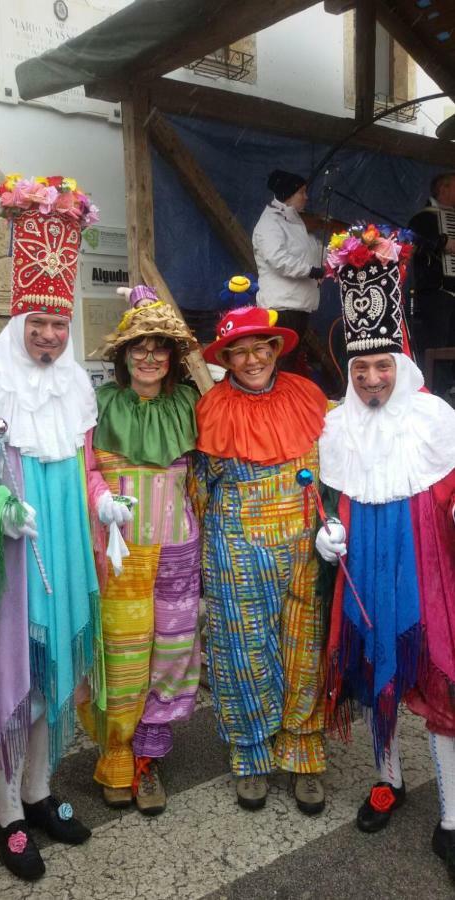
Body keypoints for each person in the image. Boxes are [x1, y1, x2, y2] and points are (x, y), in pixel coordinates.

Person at [0, 174, 103, 881]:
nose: (47, 336)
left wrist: (102, 502)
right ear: (17, 322)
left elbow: (85, 462)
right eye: (36, 324)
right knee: (11, 673)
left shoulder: (75, 383)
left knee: (52, 676)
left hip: (63, 546)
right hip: (8, 556)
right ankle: (7, 810)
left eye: (57, 325)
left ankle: (41, 791)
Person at [318, 223, 455, 878]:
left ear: (400, 366)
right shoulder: (336, 426)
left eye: (381, 366)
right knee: (376, 671)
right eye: (361, 368)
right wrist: (324, 531)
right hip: (366, 563)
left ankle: (454, 815)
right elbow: (324, 497)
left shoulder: (436, 421)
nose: (371, 379)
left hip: (427, 566)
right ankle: (387, 780)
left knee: (437, 679)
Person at [191, 305, 329, 813]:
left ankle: (304, 753)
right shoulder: (210, 408)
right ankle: (250, 754)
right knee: (242, 652)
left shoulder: (309, 397)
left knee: (303, 647)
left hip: (304, 546)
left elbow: (333, 470)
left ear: (275, 350)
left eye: (260, 348)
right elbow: (200, 488)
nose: (251, 360)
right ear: (226, 358)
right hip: (237, 547)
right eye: (239, 352)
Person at [79, 289, 201, 816]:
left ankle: (149, 758)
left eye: (159, 349)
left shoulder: (191, 405)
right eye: (138, 348)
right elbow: (81, 471)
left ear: (173, 357)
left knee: (171, 656)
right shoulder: (97, 405)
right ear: (122, 356)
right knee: (124, 658)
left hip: (180, 550)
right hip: (121, 556)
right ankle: (116, 756)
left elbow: (210, 474)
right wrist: (102, 498)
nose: (149, 357)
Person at [252, 170, 324, 366]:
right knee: (280, 360)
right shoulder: (270, 223)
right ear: (288, 195)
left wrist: (338, 256)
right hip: (282, 306)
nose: (306, 197)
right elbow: (278, 259)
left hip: (299, 304)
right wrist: (311, 271)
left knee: (289, 361)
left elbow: (313, 251)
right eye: (302, 192)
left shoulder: (296, 222)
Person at [408, 171, 455, 395]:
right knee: (436, 344)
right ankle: (434, 391)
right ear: (443, 189)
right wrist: (443, 243)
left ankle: (450, 388)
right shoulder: (423, 218)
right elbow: (413, 244)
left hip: (451, 294)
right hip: (435, 293)